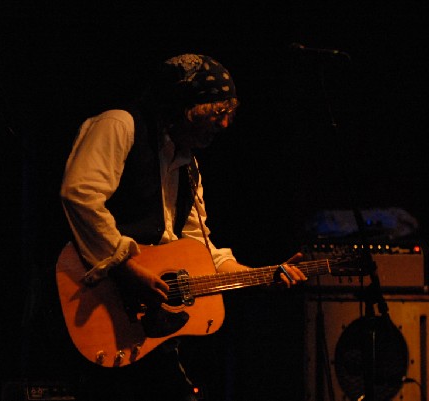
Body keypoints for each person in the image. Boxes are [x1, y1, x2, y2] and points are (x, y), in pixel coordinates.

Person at [59, 53, 307, 401]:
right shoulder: (119, 125)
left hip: (147, 333)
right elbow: (79, 195)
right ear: (183, 107)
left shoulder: (188, 167)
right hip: (96, 303)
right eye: (215, 113)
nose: (223, 125)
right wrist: (127, 268)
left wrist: (261, 277)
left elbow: (198, 251)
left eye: (227, 114)